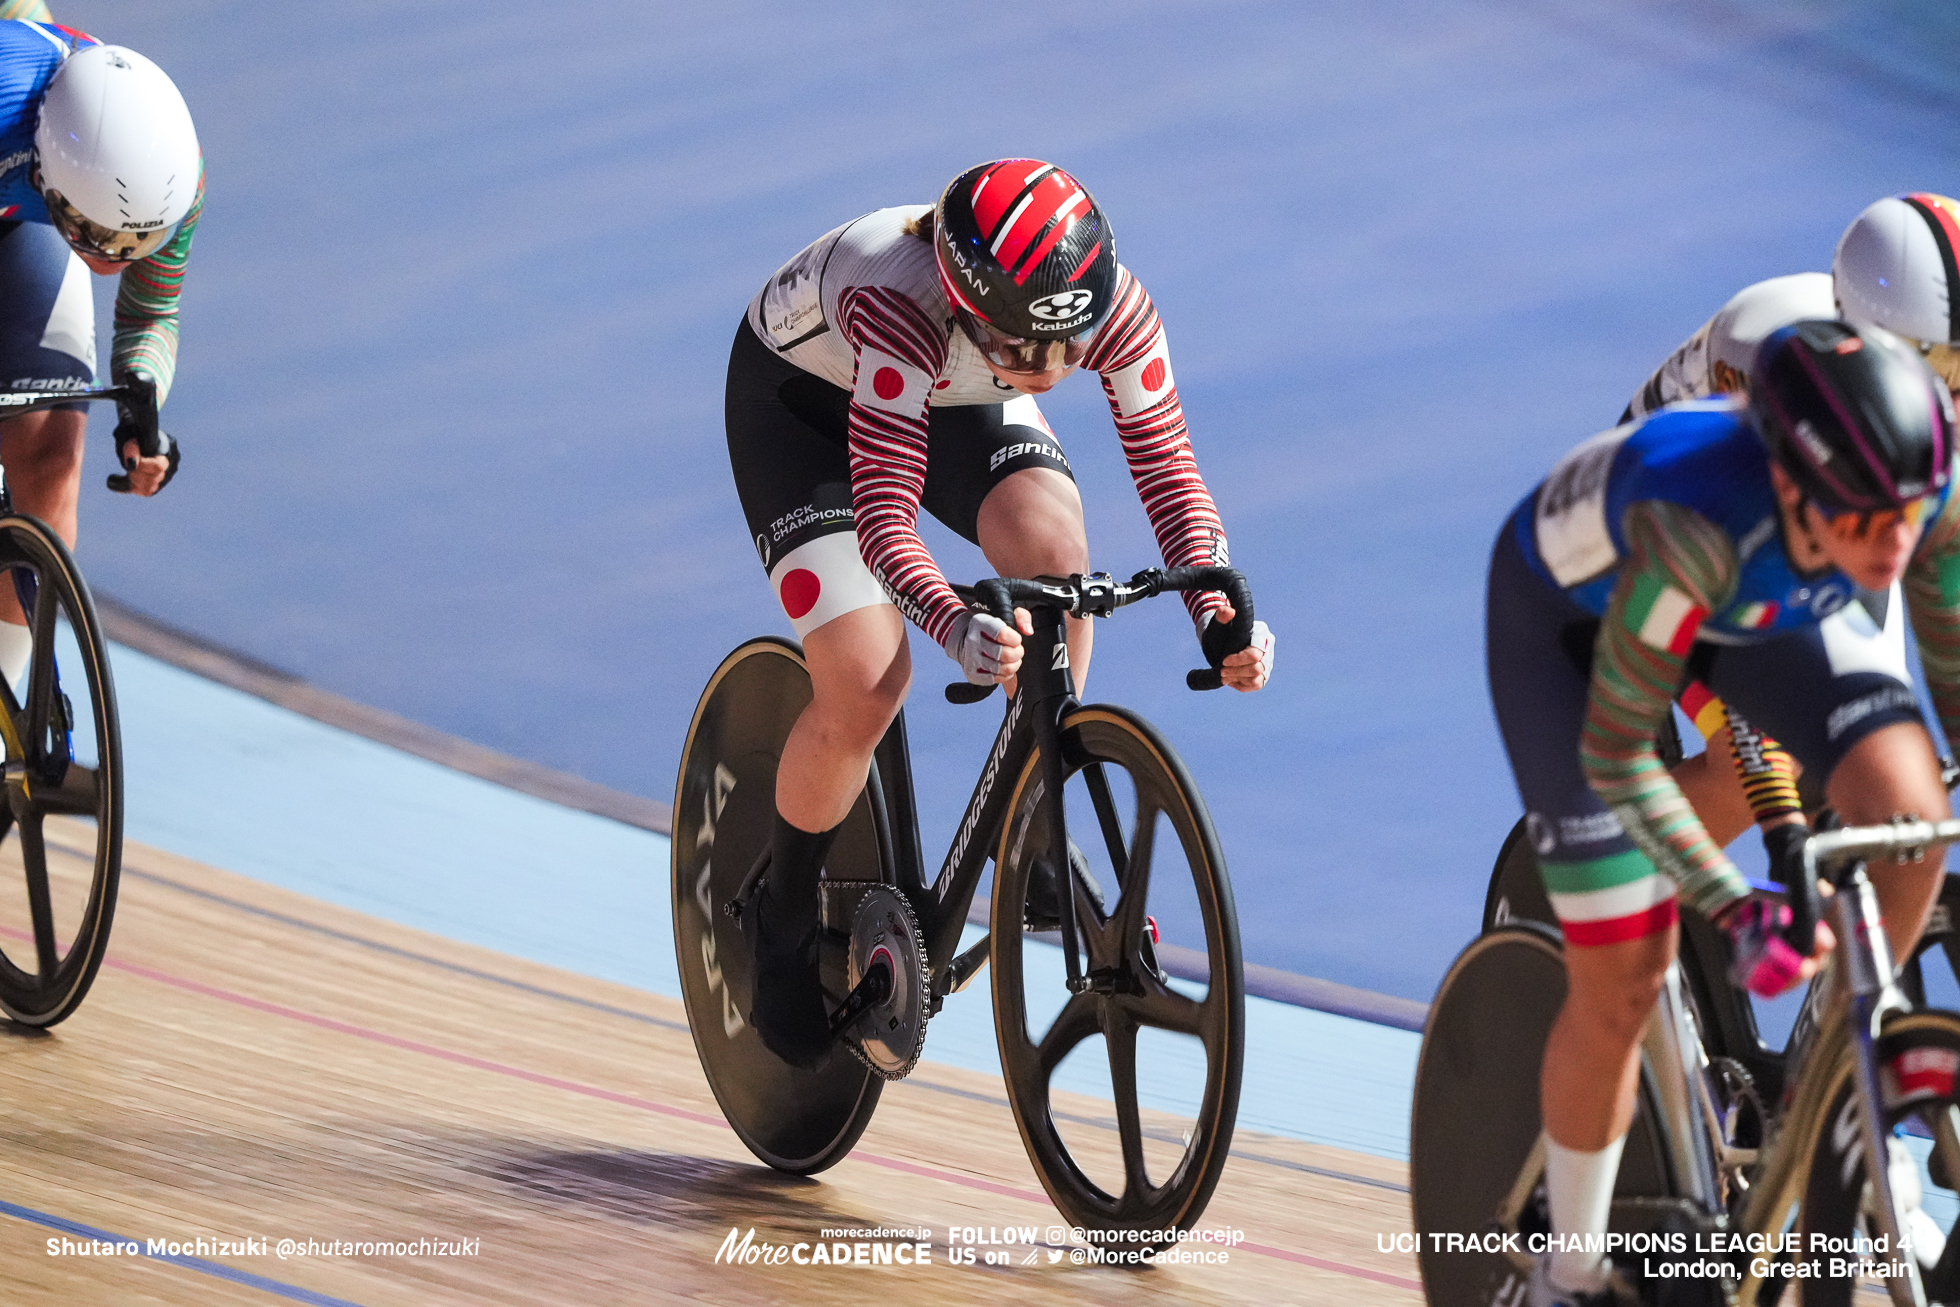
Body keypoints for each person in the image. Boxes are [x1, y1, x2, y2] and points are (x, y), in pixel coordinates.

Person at [724, 159, 1275, 1066]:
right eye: (1029, 351)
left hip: (951, 389)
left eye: (1069, 348)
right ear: (967, 301)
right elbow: (887, 525)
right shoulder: (903, 306)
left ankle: (1035, 820)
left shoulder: (1096, 310)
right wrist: (951, 623)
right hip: (805, 409)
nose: (1052, 374)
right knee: (867, 680)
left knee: (1058, 563)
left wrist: (1220, 615)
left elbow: (1170, 473)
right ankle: (780, 917)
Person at [1487, 320, 1958, 1307]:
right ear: (1794, 483)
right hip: (1574, 627)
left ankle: (1823, 1079)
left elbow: (1943, 644)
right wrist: (1731, 903)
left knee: (1907, 819)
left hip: (1760, 603)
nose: (1896, 544)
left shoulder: (1908, 489)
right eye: (1870, 522)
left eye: (1908, 518)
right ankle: (1562, 1271)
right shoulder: (1690, 526)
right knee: (1627, 970)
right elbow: (1617, 753)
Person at [1619, 194, 1960, 866]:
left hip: (1838, 511)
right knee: (1772, 758)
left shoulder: (1908, 395)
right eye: (1944, 367)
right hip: (1686, 531)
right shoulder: (1775, 364)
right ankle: (1603, 915)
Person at [0, 18, 199, 688]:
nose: (114, 260)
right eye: (94, 236)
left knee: (52, 455)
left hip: (25, 219)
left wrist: (141, 399)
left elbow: (151, 311)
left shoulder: (171, 176)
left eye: (134, 244)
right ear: (47, 174)